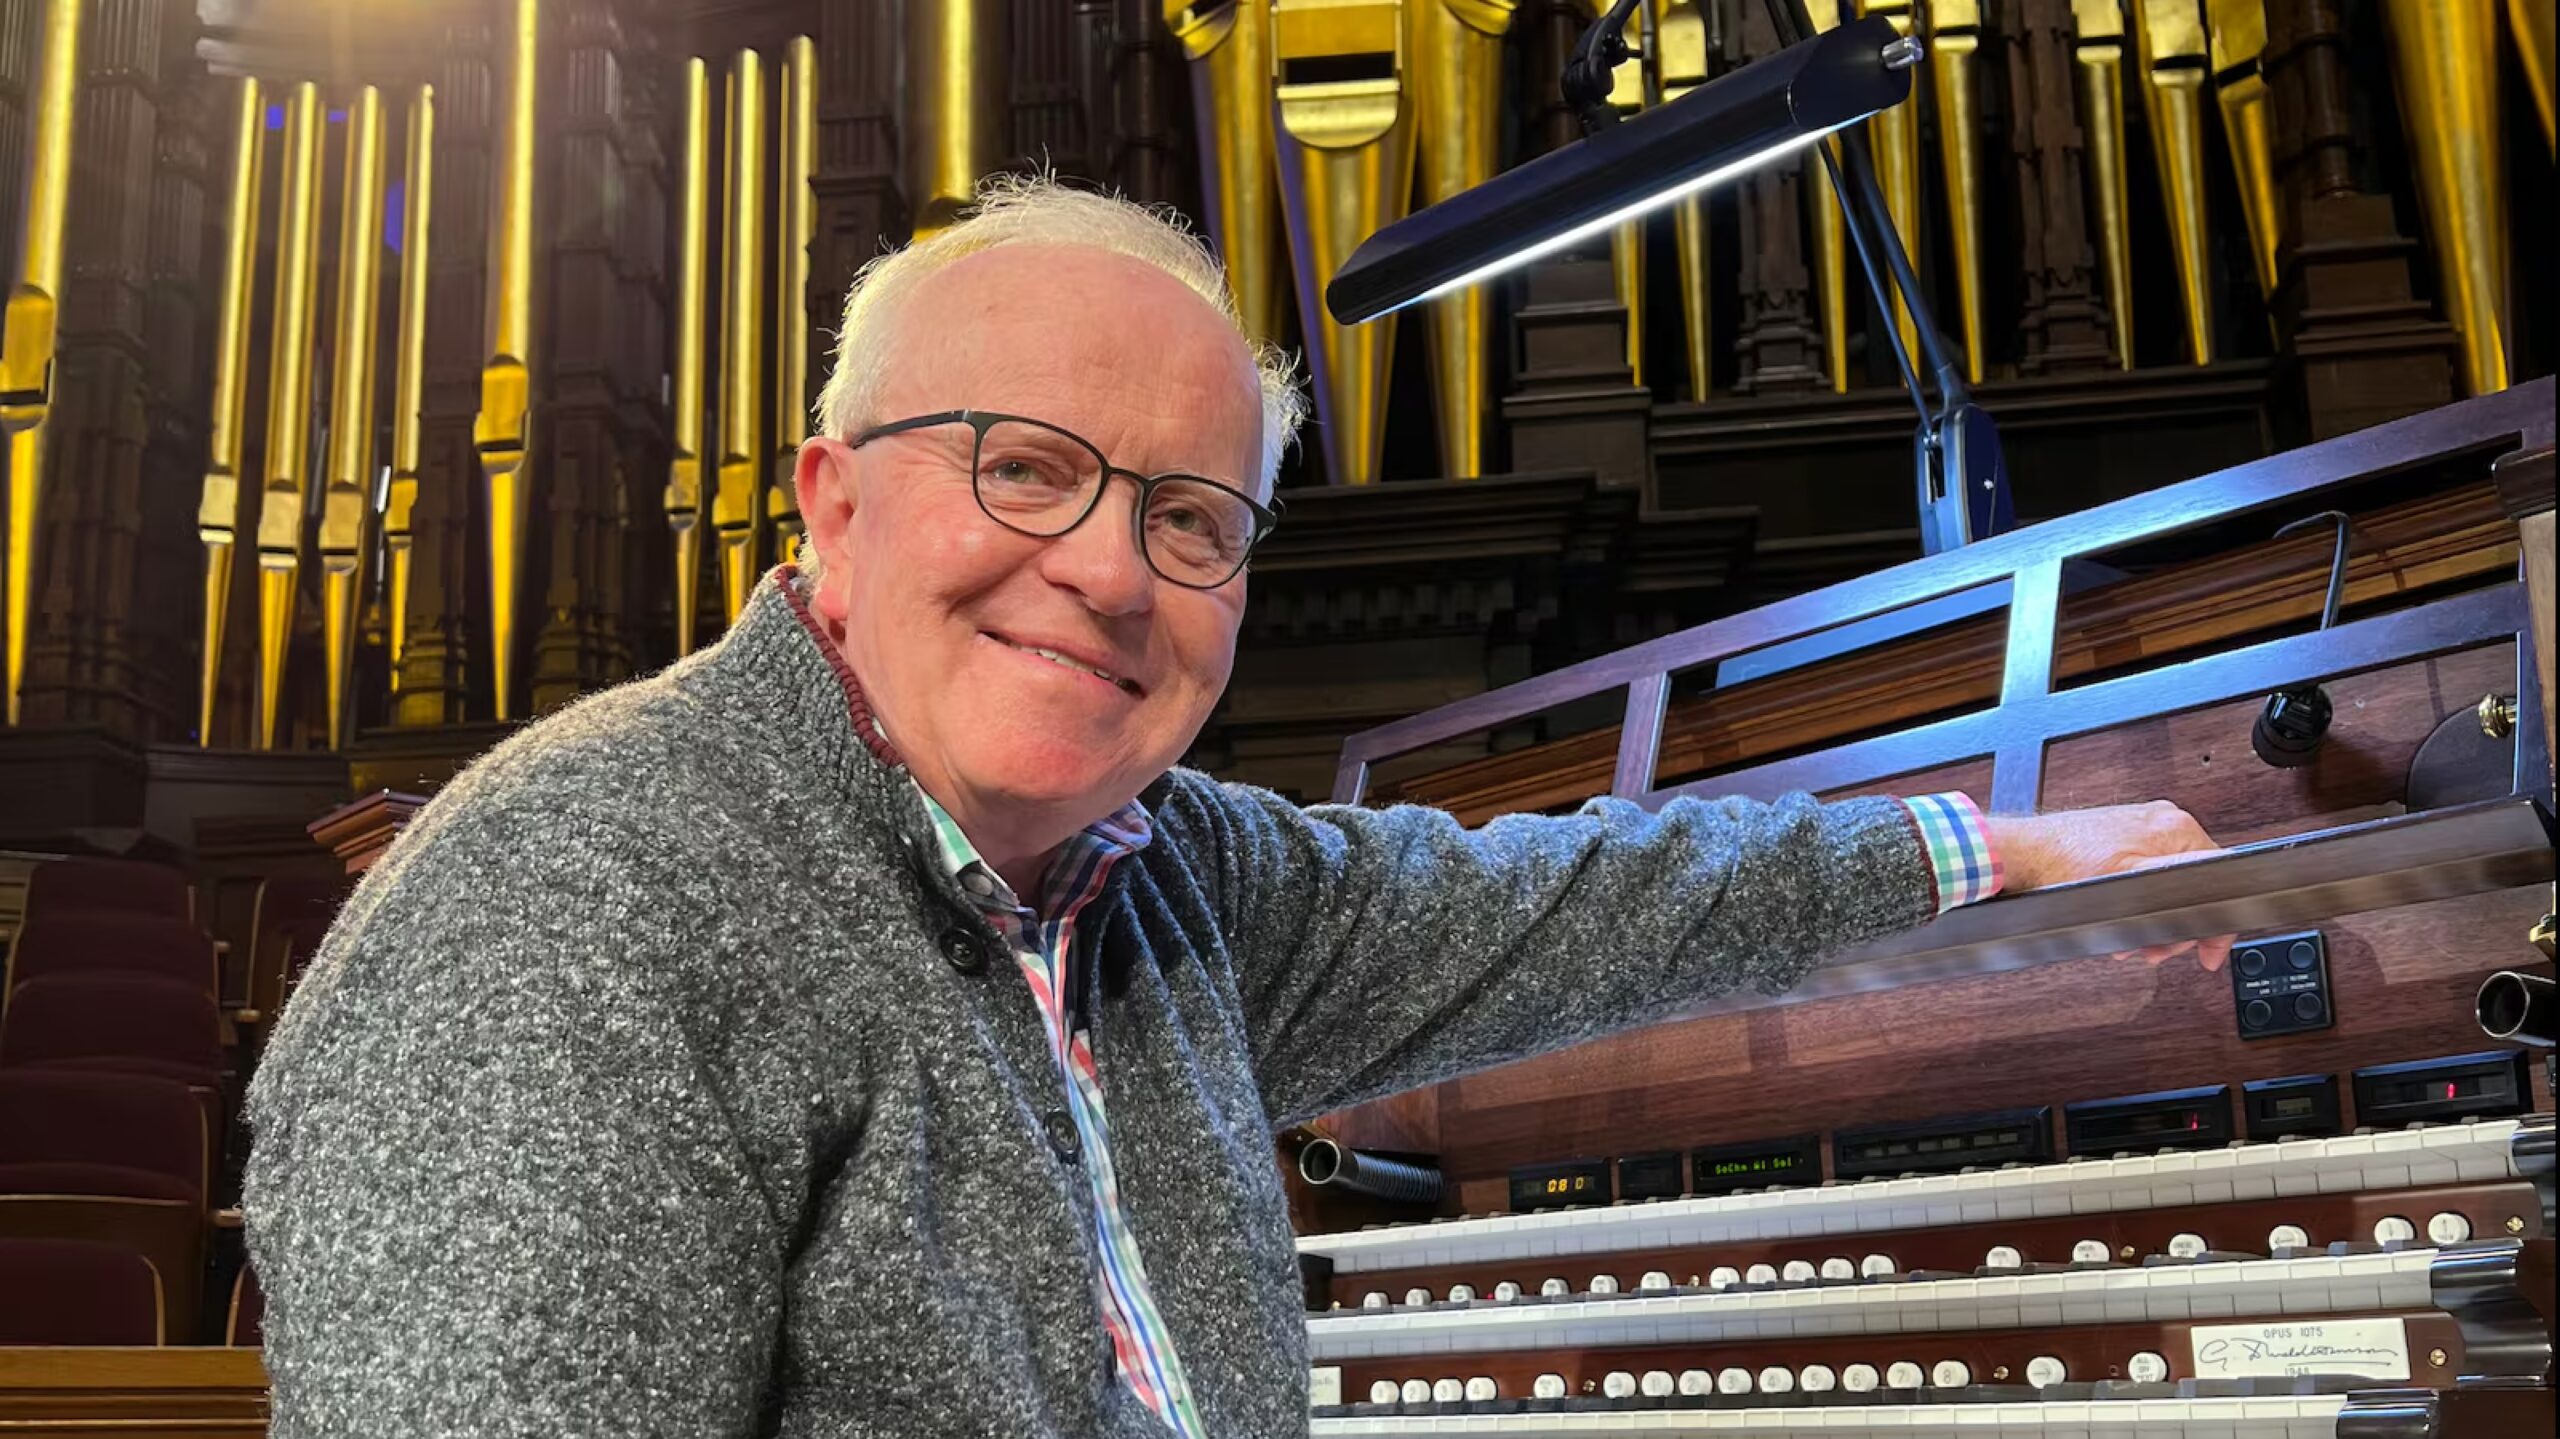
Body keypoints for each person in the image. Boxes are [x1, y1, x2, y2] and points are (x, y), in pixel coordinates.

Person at [243, 176, 2228, 1438]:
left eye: (1186, 518)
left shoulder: (1165, 880)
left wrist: (2000, 846)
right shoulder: (566, 915)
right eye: (1022, 466)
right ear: (828, 510)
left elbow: (1563, 897)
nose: (1108, 572)